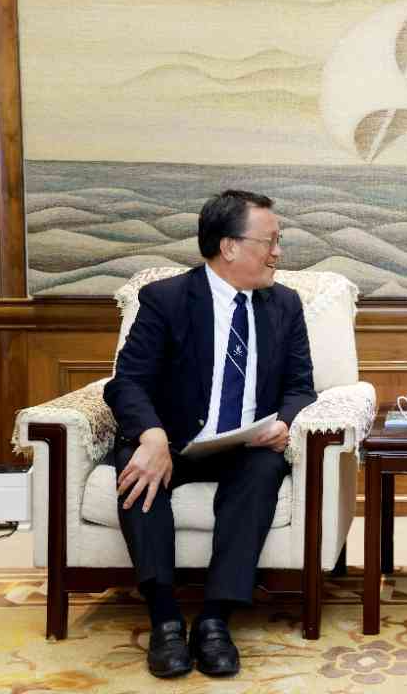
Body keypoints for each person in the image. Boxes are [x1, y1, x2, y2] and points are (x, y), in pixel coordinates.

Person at [104, 190, 316, 678]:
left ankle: (216, 619)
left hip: (244, 444)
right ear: (229, 247)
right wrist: (152, 437)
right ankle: (164, 620)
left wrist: (284, 421)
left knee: (264, 468)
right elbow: (127, 382)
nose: (278, 252)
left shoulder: (284, 304)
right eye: (270, 241)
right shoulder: (167, 299)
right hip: (174, 441)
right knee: (136, 466)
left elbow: (301, 386)